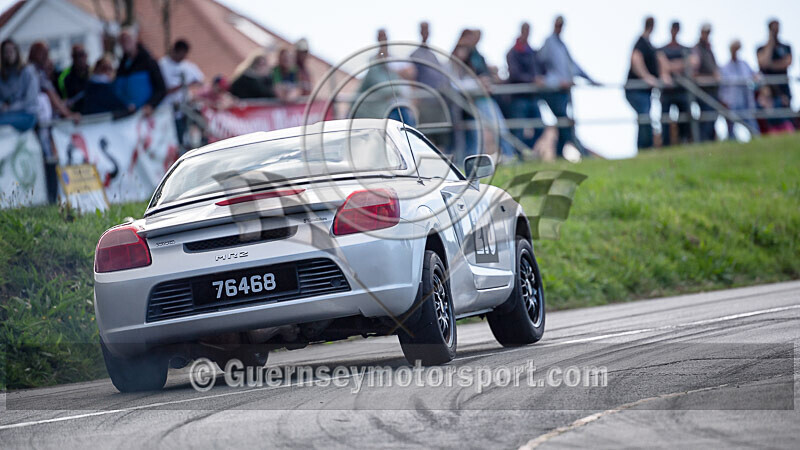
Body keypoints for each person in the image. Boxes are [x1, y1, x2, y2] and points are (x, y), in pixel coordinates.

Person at [538, 15, 597, 157]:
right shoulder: (549, 43)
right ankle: (582, 153)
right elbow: (541, 63)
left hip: (564, 92)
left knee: (562, 123)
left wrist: (591, 80)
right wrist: (554, 81)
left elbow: (573, 66)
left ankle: (559, 154)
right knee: (565, 121)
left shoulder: (562, 46)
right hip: (554, 91)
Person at [354, 29, 417, 125]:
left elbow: (409, 75)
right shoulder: (374, 63)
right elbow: (383, 88)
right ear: (378, 38)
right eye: (381, 37)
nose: (383, 40)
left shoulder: (393, 61)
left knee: (405, 116)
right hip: (381, 110)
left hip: (395, 106)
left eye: (385, 37)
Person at [625, 17, 669, 150]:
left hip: (644, 91)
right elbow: (635, 59)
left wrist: (663, 75)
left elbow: (661, 60)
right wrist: (646, 77)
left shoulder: (650, 45)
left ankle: (644, 147)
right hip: (636, 89)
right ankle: (646, 147)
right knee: (645, 116)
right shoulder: (641, 43)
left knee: (645, 117)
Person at [506, 22, 546, 151]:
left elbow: (540, 69)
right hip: (519, 97)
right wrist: (532, 80)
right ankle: (520, 154)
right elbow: (515, 74)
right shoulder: (513, 52)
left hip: (532, 96)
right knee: (519, 130)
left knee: (540, 127)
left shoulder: (532, 52)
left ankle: (525, 150)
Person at [159, 39, 204, 146]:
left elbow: (200, 81)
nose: (183, 57)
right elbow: (162, 89)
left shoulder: (187, 66)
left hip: (183, 111)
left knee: (186, 137)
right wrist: (181, 86)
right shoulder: (162, 65)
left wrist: (191, 91)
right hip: (166, 110)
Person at [115, 28, 166, 115]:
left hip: (148, 115)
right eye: (122, 41)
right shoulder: (121, 67)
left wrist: (151, 105)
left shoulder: (149, 61)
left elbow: (161, 88)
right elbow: (118, 91)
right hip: (129, 116)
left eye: (127, 39)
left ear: (135, 40)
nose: (125, 43)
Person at [659, 22, 692, 146]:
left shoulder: (685, 48)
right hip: (667, 91)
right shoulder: (662, 49)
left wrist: (670, 66)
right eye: (673, 28)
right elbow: (662, 64)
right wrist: (682, 63)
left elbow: (693, 62)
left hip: (681, 90)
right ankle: (666, 144)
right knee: (665, 119)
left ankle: (684, 141)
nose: (675, 31)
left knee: (685, 118)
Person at [719, 40, 760, 139]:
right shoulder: (724, 68)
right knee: (731, 129)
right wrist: (724, 102)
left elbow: (756, 76)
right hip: (731, 103)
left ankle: (757, 141)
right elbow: (722, 88)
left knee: (752, 125)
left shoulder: (744, 64)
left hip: (745, 102)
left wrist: (756, 79)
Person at [0, 39, 39, 131]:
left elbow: (30, 101)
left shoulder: (28, 71)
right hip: (7, 114)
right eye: (6, 51)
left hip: (27, 114)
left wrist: (9, 108)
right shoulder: (2, 74)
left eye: (11, 50)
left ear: (17, 52)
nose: (9, 54)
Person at [692, 23, 721, 142]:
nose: (707, 35)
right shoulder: (697, 49)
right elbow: (694, 73)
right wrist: (712, 79)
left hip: (712, 90)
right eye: (706, 32)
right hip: (703, 91)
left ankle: (708, 141)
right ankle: (703, 141)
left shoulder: (709, 50)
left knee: (712, 117)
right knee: (706, 117)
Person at [757, 19, 793, 110]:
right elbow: (763, 63)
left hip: (784, 88)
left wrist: (770, 65)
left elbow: (788, 62)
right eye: (773, 29)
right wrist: (771, 42)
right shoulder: (761, 48)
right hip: (768, 91)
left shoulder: (786, 47)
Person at [57, 45, 89, 112]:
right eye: (76, 55)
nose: (79, 58)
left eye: (81, 54)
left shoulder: (93, 72)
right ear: (72, 57)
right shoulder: (64, 77)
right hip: (76, 115)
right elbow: (63, 99)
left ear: (86, 55)